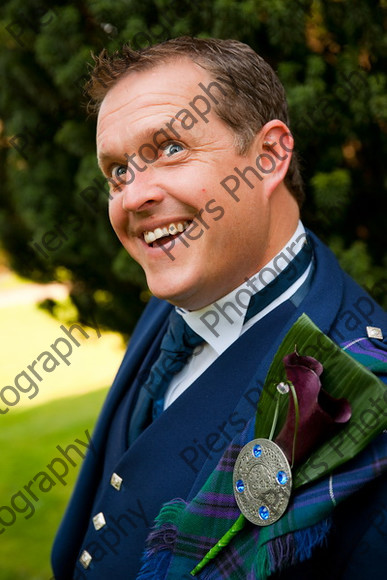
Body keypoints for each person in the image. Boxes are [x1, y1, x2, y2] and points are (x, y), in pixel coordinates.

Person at [51, 37, 387, 579]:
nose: (132, 198)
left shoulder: (364, 383)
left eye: (170, 149)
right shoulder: (169, 306)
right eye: (117, 171)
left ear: (269, 156)